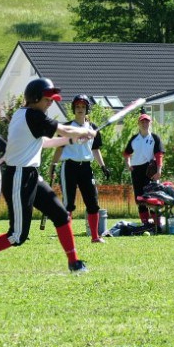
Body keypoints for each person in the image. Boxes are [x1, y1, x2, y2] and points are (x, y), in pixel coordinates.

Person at [0, 78, 96, 275]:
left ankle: (74, 262)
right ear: (35, 98)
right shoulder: (33, 115)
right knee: (17, 235)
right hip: (18, 176)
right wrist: (83, 131)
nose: (51, 103)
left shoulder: (25, 115)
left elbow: (43, 142)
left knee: (61, 215)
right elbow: (63, 128)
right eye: (47, 99)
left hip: (31, 175)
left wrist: (72, 139)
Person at [49, 94, 111, 243]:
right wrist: (53, 166)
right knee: (68, 204)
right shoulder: (67, 127)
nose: (80, 109)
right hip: (69, 167)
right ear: (73, 109)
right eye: (77, 106)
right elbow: (59, 148)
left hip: (86, 168)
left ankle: (95, 237)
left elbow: (95, 150)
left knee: (93, 203)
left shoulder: (93, 128)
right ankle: (67, 237)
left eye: (83, 107)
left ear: (87, 109)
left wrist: (103, 166)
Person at [123, 113, 165, 224]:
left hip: (149, 170)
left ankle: (156, 223)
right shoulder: (134, 139)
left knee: (151, 197)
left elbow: (159, 155)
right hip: (136, 170)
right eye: (142, 121)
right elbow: (126, 153)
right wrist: (128, 164)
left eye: (147, 121)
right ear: (138, 123)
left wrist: (159, 170)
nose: (144, 123)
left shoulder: (154, 138)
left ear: (150, 123)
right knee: (139, 197)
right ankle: (145, 223)